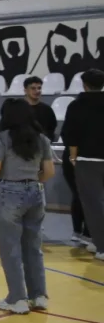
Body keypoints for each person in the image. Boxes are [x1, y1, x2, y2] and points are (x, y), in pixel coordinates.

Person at [0, 99, 54, 314]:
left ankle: (17, 299)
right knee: (33, 246)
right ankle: (38, 295)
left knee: (10, 248)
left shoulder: (2, 137)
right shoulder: (41, 139)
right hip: (36, 191)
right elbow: (49, 172)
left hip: (10, 192)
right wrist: (31, 181)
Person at [61, 69, 104, 261]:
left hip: (87, 160)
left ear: (85, 85)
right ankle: (97, 241)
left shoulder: (77, 105)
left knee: (93, 204)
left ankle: (101, 245)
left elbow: (70, 134)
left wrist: (73, 157)